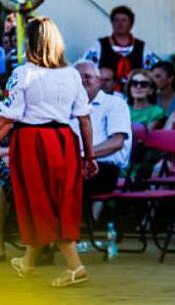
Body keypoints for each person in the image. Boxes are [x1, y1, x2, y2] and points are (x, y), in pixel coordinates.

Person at [0, 17, 96, 287]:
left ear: (30, 43)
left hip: (32, 142)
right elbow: (84, 118)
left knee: (39, 201)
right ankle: (27, 262)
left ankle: (75, 266)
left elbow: (7, 118)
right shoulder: (72, 73)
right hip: (64, 140)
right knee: (60, 199)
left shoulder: (24, 73)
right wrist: (89, 154)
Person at [75, 61, 131, 204]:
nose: (82, 81)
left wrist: (83, 155)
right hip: (75, 164)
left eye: (87, 76)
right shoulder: (67, 107)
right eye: (77, 77)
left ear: (99, 81)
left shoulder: (114, 103)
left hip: (103, 168)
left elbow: (117, 142)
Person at [81, 5, 158, 86]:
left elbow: (154, 71)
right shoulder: (100, 45)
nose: (119, 24)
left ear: (131, 24)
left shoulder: (141, 47)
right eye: (116, 20)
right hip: (106, 94)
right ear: (112, 23)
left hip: (135, 94)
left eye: (124, 20)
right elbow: (85, 67)